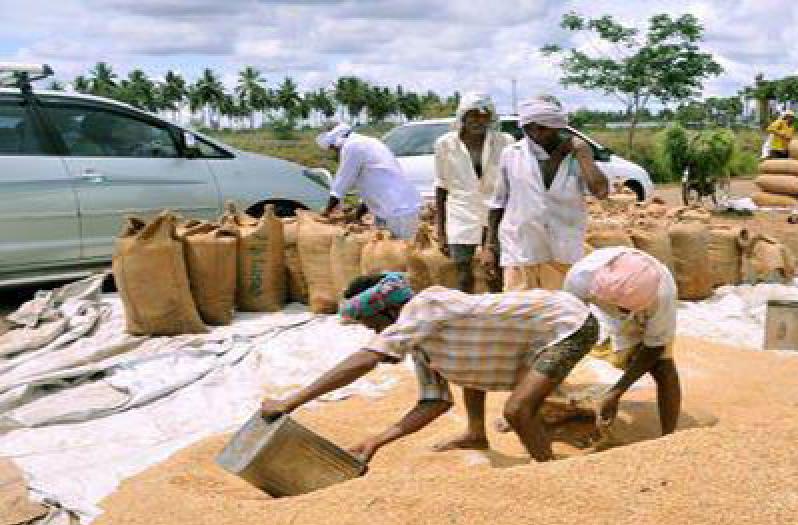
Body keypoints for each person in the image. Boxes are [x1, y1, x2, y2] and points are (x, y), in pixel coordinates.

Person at [260, 273, 599, 464]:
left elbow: (368, 358)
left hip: (567, 323)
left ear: (386, 313)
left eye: (370, 323)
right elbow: (434, 402)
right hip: (541, 330)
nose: (372, 331)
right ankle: (476, 433)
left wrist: (292, 401)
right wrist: (376, 441)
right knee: (466, 367)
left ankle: (551, 472)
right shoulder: (422, 339)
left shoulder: (425, 306)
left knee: (517, 411)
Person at [486, 95, 609, 292]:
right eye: (531, 127)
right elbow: (498, 203)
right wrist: (490, 246)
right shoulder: (511, 154)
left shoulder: (575, 157)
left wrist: (585, 154)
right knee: (522, 311)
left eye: (544, 128)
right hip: (521, 249)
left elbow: (600, 191)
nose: (537, 133)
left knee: (563, 312)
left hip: (563, 251)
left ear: (557, 127)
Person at [562, 247, 681, 435]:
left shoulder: (662, 295)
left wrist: (616, 392)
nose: (622, 313)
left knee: (663, 368)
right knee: (568, 345)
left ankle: (669, 436)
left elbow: (655, 346)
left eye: (626, 309)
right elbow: (568, 324)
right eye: (620, 308)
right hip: (599, 310)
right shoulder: (581, 276)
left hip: (642, 316)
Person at [433, 93, 513, 293]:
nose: (478, 121)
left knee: (494, 271)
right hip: (460, 214)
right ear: (463, 117)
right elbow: (441, 187)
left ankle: (497, 315)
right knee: (462, 273)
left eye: (483, 116)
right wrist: (441, 231)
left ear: (490, 118)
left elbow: (512, 183)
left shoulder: (504, 142)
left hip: (495, 214)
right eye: (473, 116)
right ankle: (467, 314)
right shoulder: (445, 144)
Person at [316, 123, 421, 239]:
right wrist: (357, 215)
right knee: (383, 251)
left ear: (337, 141)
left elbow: (341, 182)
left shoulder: (352, 146)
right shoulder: (367, 142)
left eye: (334, 149)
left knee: (397, 252)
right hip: (391, 209)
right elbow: (372, 187)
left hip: (397, 210)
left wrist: (326, 213)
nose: (336, 153)